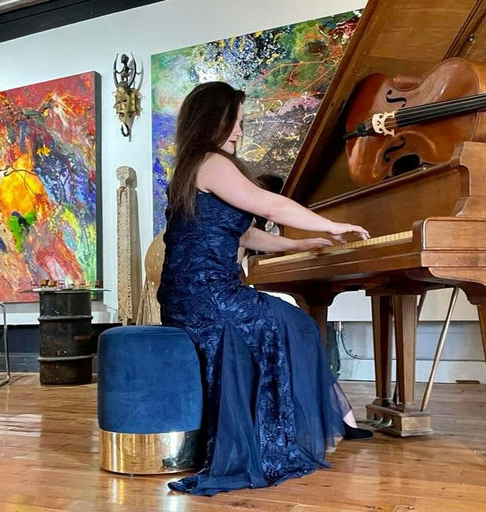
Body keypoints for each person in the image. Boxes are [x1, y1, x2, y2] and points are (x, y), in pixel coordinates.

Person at [157, 81, 372, 497]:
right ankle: (293, 431)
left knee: (290, 322)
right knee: (297, 324)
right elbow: (270, 205)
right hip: (209, 296)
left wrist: (300, 244)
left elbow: (244, 235)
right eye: (234, 122)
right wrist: (330, 224)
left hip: (191, 295)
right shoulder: (212, 162)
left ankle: (329, 419)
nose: (239, 132)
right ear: (211, 121)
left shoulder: (192, 167)